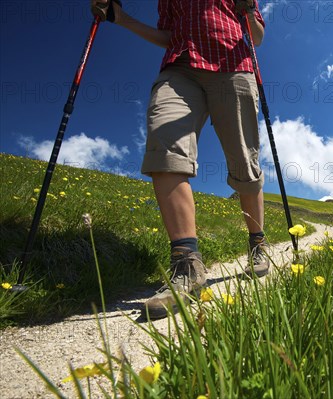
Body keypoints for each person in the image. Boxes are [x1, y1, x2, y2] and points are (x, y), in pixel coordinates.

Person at [90, 0, 269, 319]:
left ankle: (257, 241)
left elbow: (255, 37)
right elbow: (167, 35)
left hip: (233, 65)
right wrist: (122, 18)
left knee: (244, 161)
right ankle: (187, 264)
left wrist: (245, 11)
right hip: (179, 70)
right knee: (165, 147)